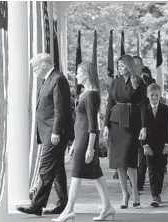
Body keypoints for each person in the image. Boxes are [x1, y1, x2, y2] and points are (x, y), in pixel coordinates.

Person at [53, 61, 115, 222]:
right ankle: (107, 207)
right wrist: (74, 143)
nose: (76, 75)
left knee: (76, 174)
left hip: (86, 140)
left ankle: (68, 210)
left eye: (79, 72)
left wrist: (90, 148)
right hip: (81, 139)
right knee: (97, 174)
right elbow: (80, 122)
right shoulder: (87, 94)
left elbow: (93, 125)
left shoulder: (91, 95)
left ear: (87, 74)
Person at [17, 53, 74, 216]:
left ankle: (36, 205)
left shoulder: (58, 79)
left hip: (53, 133)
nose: (34, 70)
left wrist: (56, 131)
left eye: (35, 66)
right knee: (57, 170)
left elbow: (60, 109)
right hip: (48, 132)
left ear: (44, 65)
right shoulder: (48, 80)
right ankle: (63, 203)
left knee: (45, 168)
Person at [103, 54, 147, 209]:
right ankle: (124, 193)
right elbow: (109, 103)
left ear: (129, 66)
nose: (120, 69)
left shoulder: (139, 82)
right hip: (116, 123)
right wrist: (106, 125)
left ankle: (135, 191)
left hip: (132, 124)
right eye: (118, 66)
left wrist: (143, 127)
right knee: (119, 162)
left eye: (122, 66)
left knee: (130, 161)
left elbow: (143, 106)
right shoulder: (115, 82)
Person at [142, 83, 168, 208]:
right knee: (151, 169)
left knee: (160, 169)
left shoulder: (165, 109)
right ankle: (154, 195)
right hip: (149, 144)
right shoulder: (143, 109)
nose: (154, 97)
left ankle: (158, 192)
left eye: (156, 95)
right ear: (148, 95)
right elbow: (141, 129)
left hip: (162, 144)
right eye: (152, 95)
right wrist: (145, 145)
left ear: (160, 96)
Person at [132, 56, 150, 194]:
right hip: (130, 123)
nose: (136, 68)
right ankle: (133, 179)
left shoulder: (149, 83)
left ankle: (139, 182)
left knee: (142, 153)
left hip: (145, 123)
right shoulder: (126, 82)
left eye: (139, 65)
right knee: (132, 153)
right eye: (134, 65)